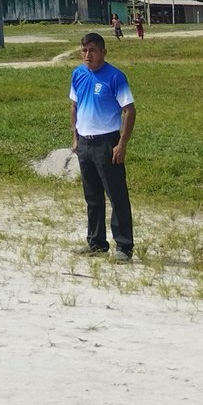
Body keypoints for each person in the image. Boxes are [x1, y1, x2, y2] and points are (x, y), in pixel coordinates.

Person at [69, 32, 135, 261]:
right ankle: (96, 242)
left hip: (108, 142)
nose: (88, 55)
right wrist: (75, 136)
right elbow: (74, 106)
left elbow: (129, 110)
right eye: (84, 51)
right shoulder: (78, 74)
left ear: (103, 52)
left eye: (93, 50)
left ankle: (124, 246)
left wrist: (122, 144)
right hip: (85, 142)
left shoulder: (115, 77)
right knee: (92, 196)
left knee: (116, 195)